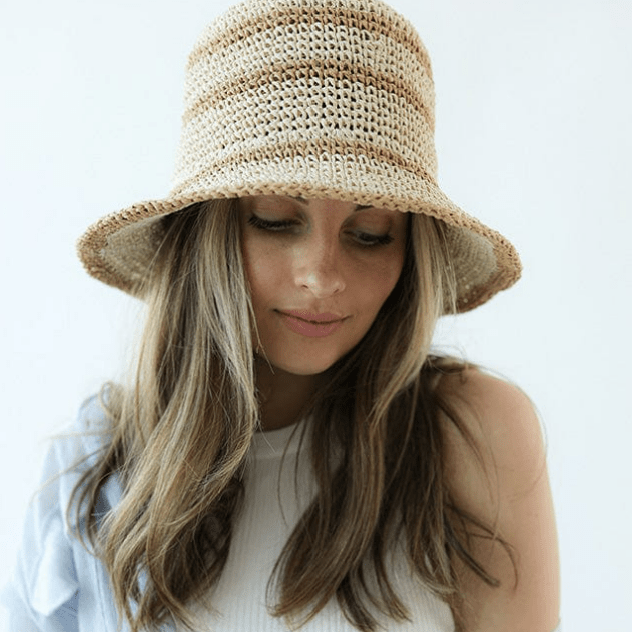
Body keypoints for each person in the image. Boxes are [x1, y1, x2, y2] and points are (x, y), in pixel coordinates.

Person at [3, 0, 560, 630]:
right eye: (274, 221)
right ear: (206, 237)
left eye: (370, 234)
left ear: (411, 252)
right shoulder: (91, 473)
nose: (321, 275)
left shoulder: (470, 431)